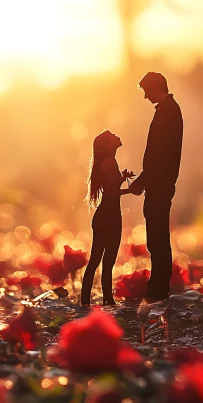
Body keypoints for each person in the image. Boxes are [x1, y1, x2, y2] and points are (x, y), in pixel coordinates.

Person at [129, 72, 184, 308]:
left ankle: (159, 288)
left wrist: (144, 179)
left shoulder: (168, 112)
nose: (144, 96)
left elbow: (159, 154)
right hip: (159, 181)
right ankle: (159, 285)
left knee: (157, 235)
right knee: (157, 234)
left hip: (160, 183)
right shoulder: (168, 110)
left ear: (154, 87)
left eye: (145, 90)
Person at [81, 130, 129, 306]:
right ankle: (106, 300)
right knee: (105, 261)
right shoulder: (109, 162)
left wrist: (122, 179)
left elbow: (111, 187)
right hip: (109, 216)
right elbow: (111, 192)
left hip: (106, 214)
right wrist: (131, 190)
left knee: (98, 260)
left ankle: (88, 300)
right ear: (108, 145)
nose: (118, 136)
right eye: (113, 136)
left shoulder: (109, 162)